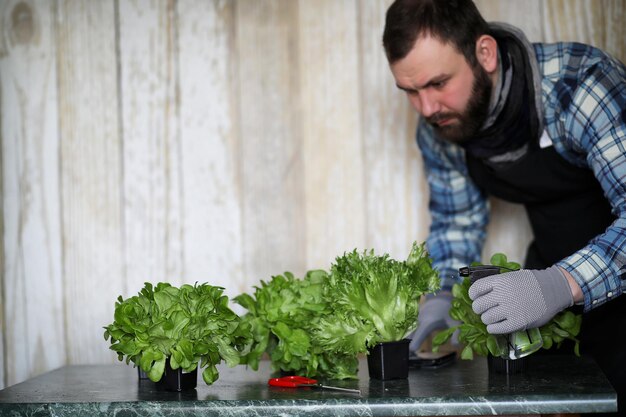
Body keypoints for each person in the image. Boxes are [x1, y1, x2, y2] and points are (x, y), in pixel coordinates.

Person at [382, 0, 626, 413]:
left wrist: (560, 284)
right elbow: (457, 221)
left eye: (438, 83)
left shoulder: (579, 84)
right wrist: (442, 297)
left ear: (485, 54)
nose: (426, 108)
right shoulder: (441, 126)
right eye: (410, 91)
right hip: (549, 283)